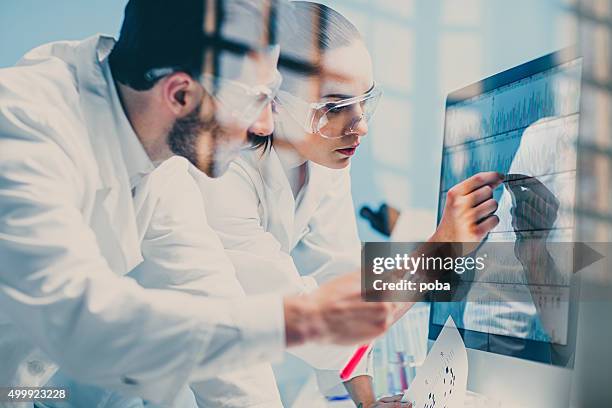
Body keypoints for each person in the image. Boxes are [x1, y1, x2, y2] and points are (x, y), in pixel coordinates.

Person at [0, 1, 397, 406]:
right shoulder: (23, 128)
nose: (262, 125)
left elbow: (210, 297)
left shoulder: (162, 159)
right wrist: (298, 320)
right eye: (255, 100)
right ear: (181, 93)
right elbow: (79, 321)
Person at [199, 2, 504, 406]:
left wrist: (368, 403)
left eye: (364, 101)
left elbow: (338, 280)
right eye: (334, 107)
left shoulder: (323, 158)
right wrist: (441, 249)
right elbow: (311, 322)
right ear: (268, 102)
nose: (359, 125)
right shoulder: (220, 176)